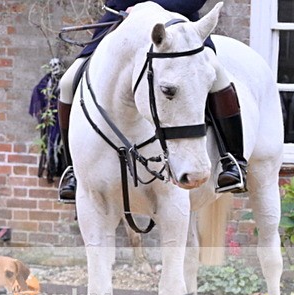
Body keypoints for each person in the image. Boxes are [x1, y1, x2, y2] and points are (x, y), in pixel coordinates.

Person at [56, 0, 248, 203]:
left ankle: (233, 159)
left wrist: (150, 6)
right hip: (125, 26)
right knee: (68, 82)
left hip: (179, 28)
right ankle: (72, 170)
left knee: (217, 75)